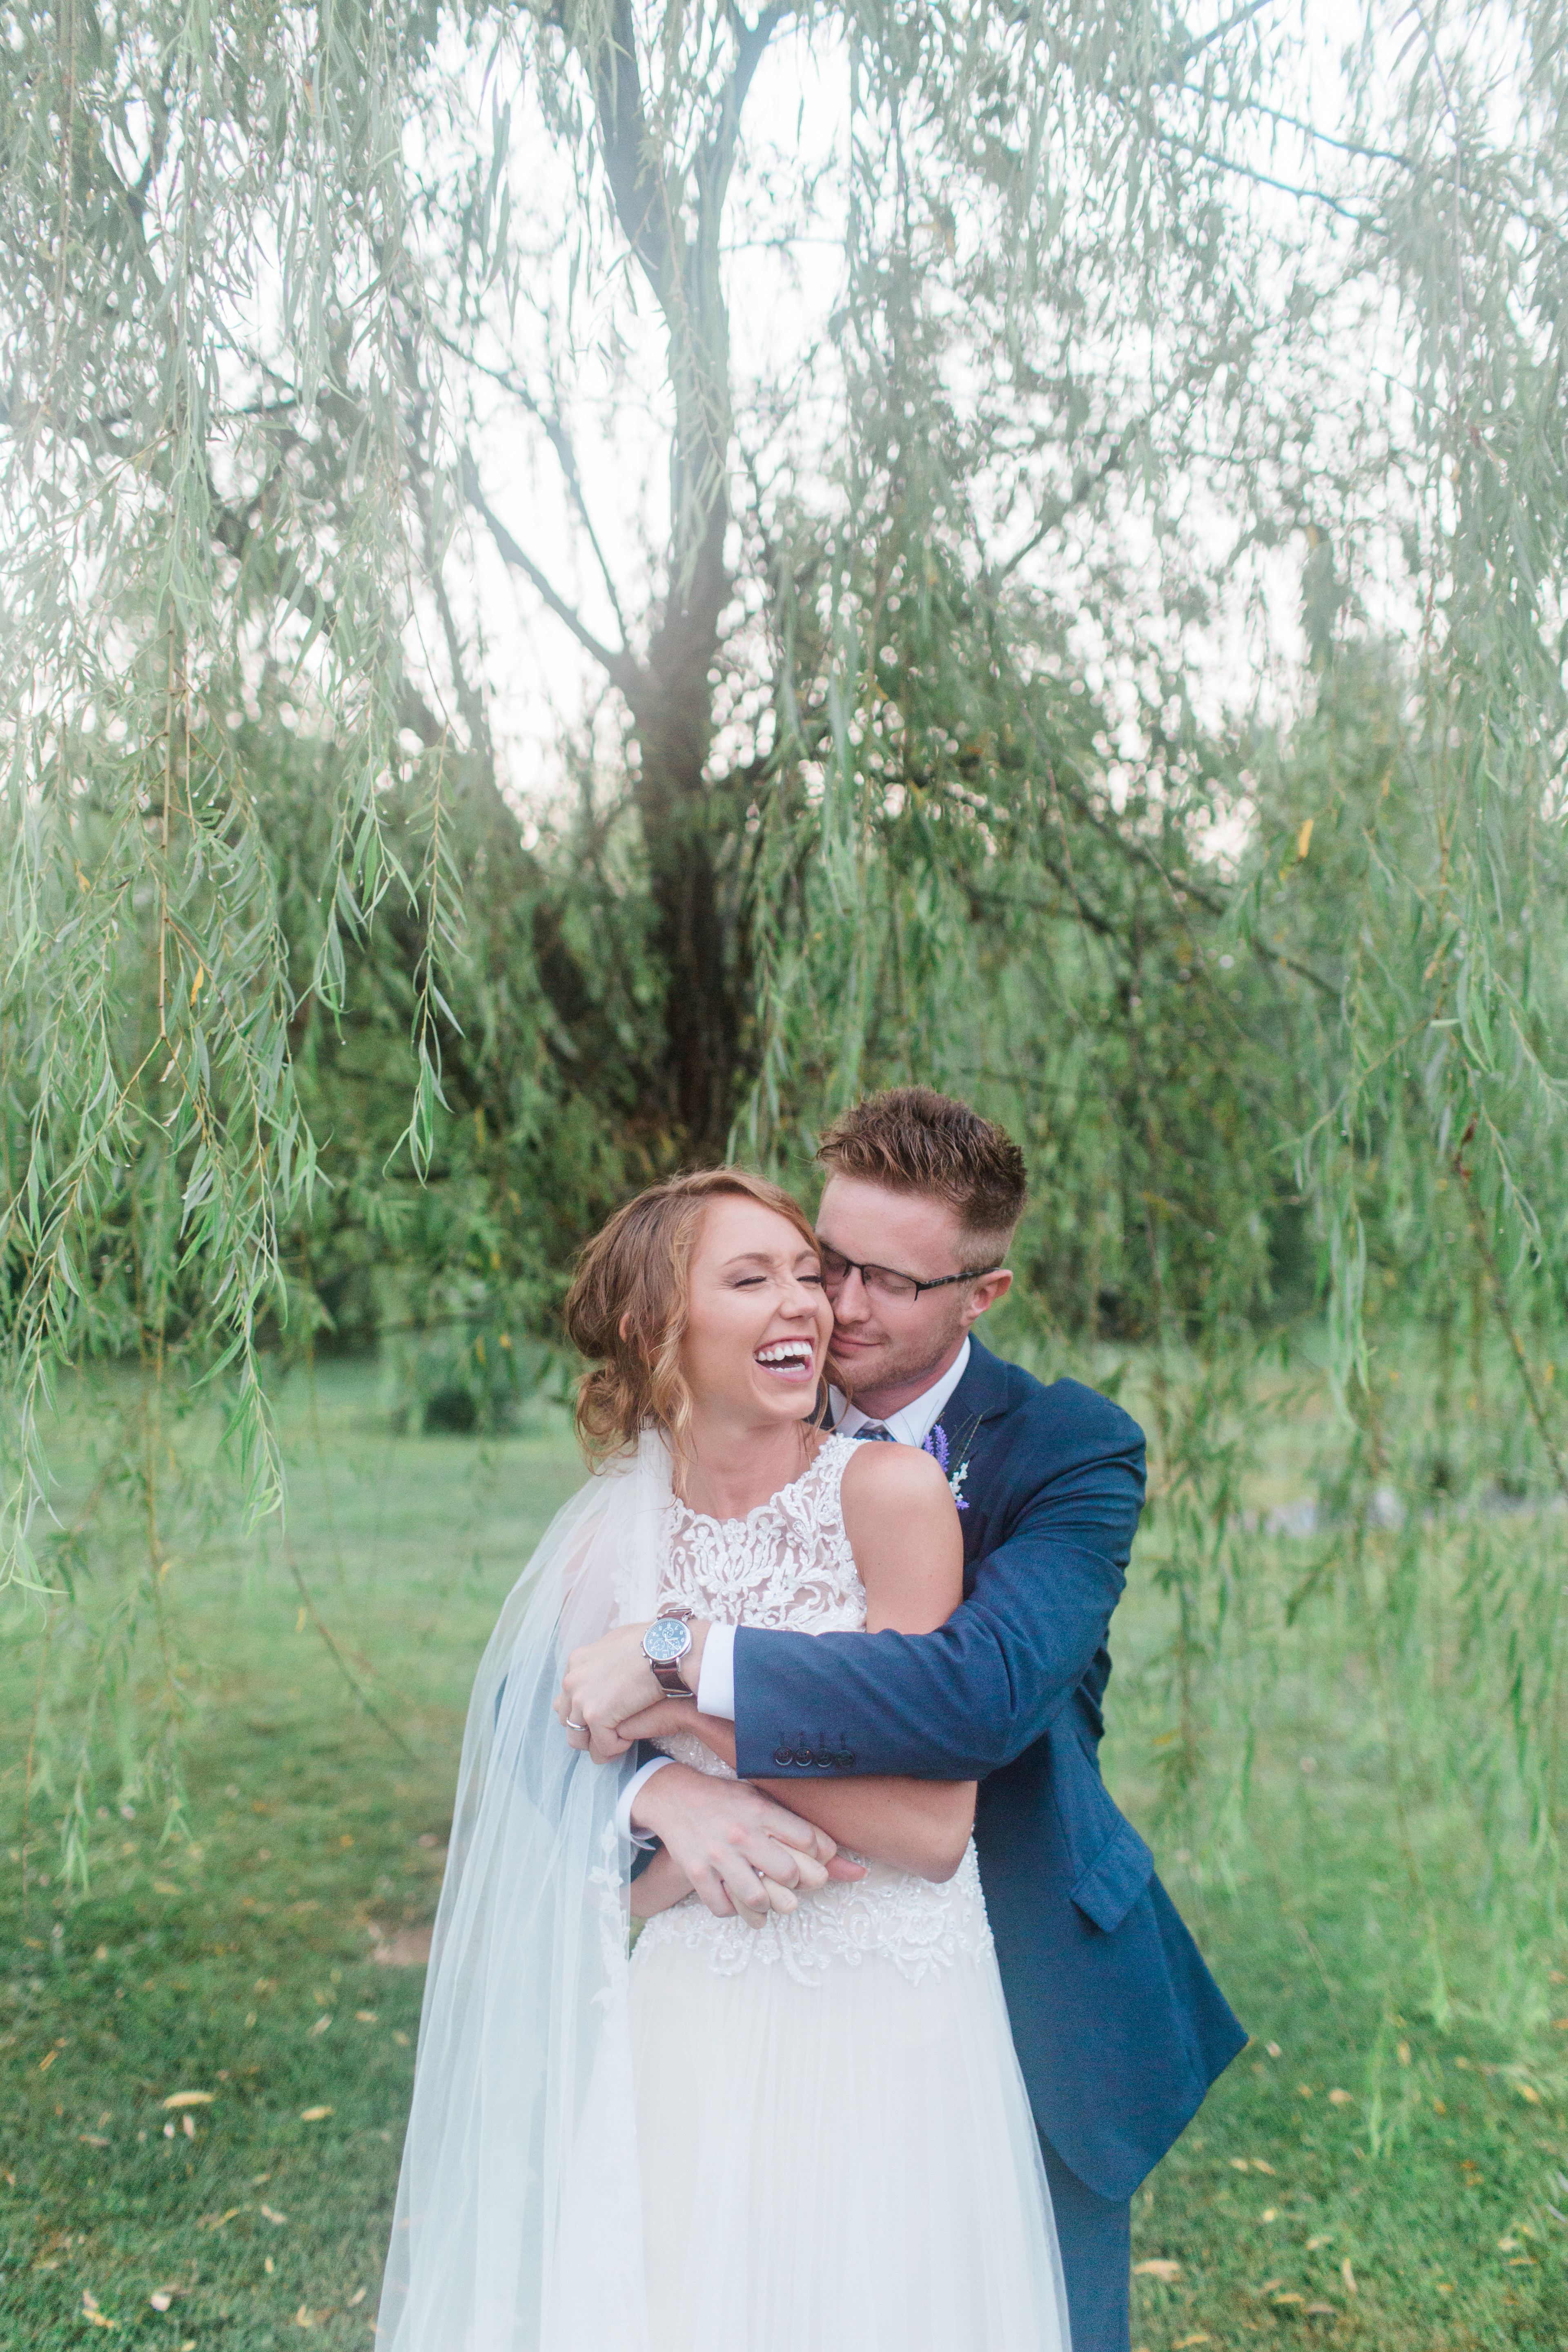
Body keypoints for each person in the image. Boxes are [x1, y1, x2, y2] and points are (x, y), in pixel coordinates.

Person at [558, 1090, 1248, 2352]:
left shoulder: (1072, 1451)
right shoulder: (743, 1407)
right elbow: (544, 1682)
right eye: (829, 1263)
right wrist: (654, 1792)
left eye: (890, 1282)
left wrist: (682, 1665)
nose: (840, 1308)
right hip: (743, 1963)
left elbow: (974, 1698)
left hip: (1012, 1961)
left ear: (980, 1296)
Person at [377, 1165, 1072, 2352]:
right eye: (753, 1279)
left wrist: (680, 1705)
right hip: (695, 2012)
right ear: (660, 1329)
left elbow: (927, 1832)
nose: (808, 1304)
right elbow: (614, 1871)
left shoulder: (891, 1498)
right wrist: (669, 1797)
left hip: (895, 2014)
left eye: (809, 1274)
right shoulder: (606, 1543)